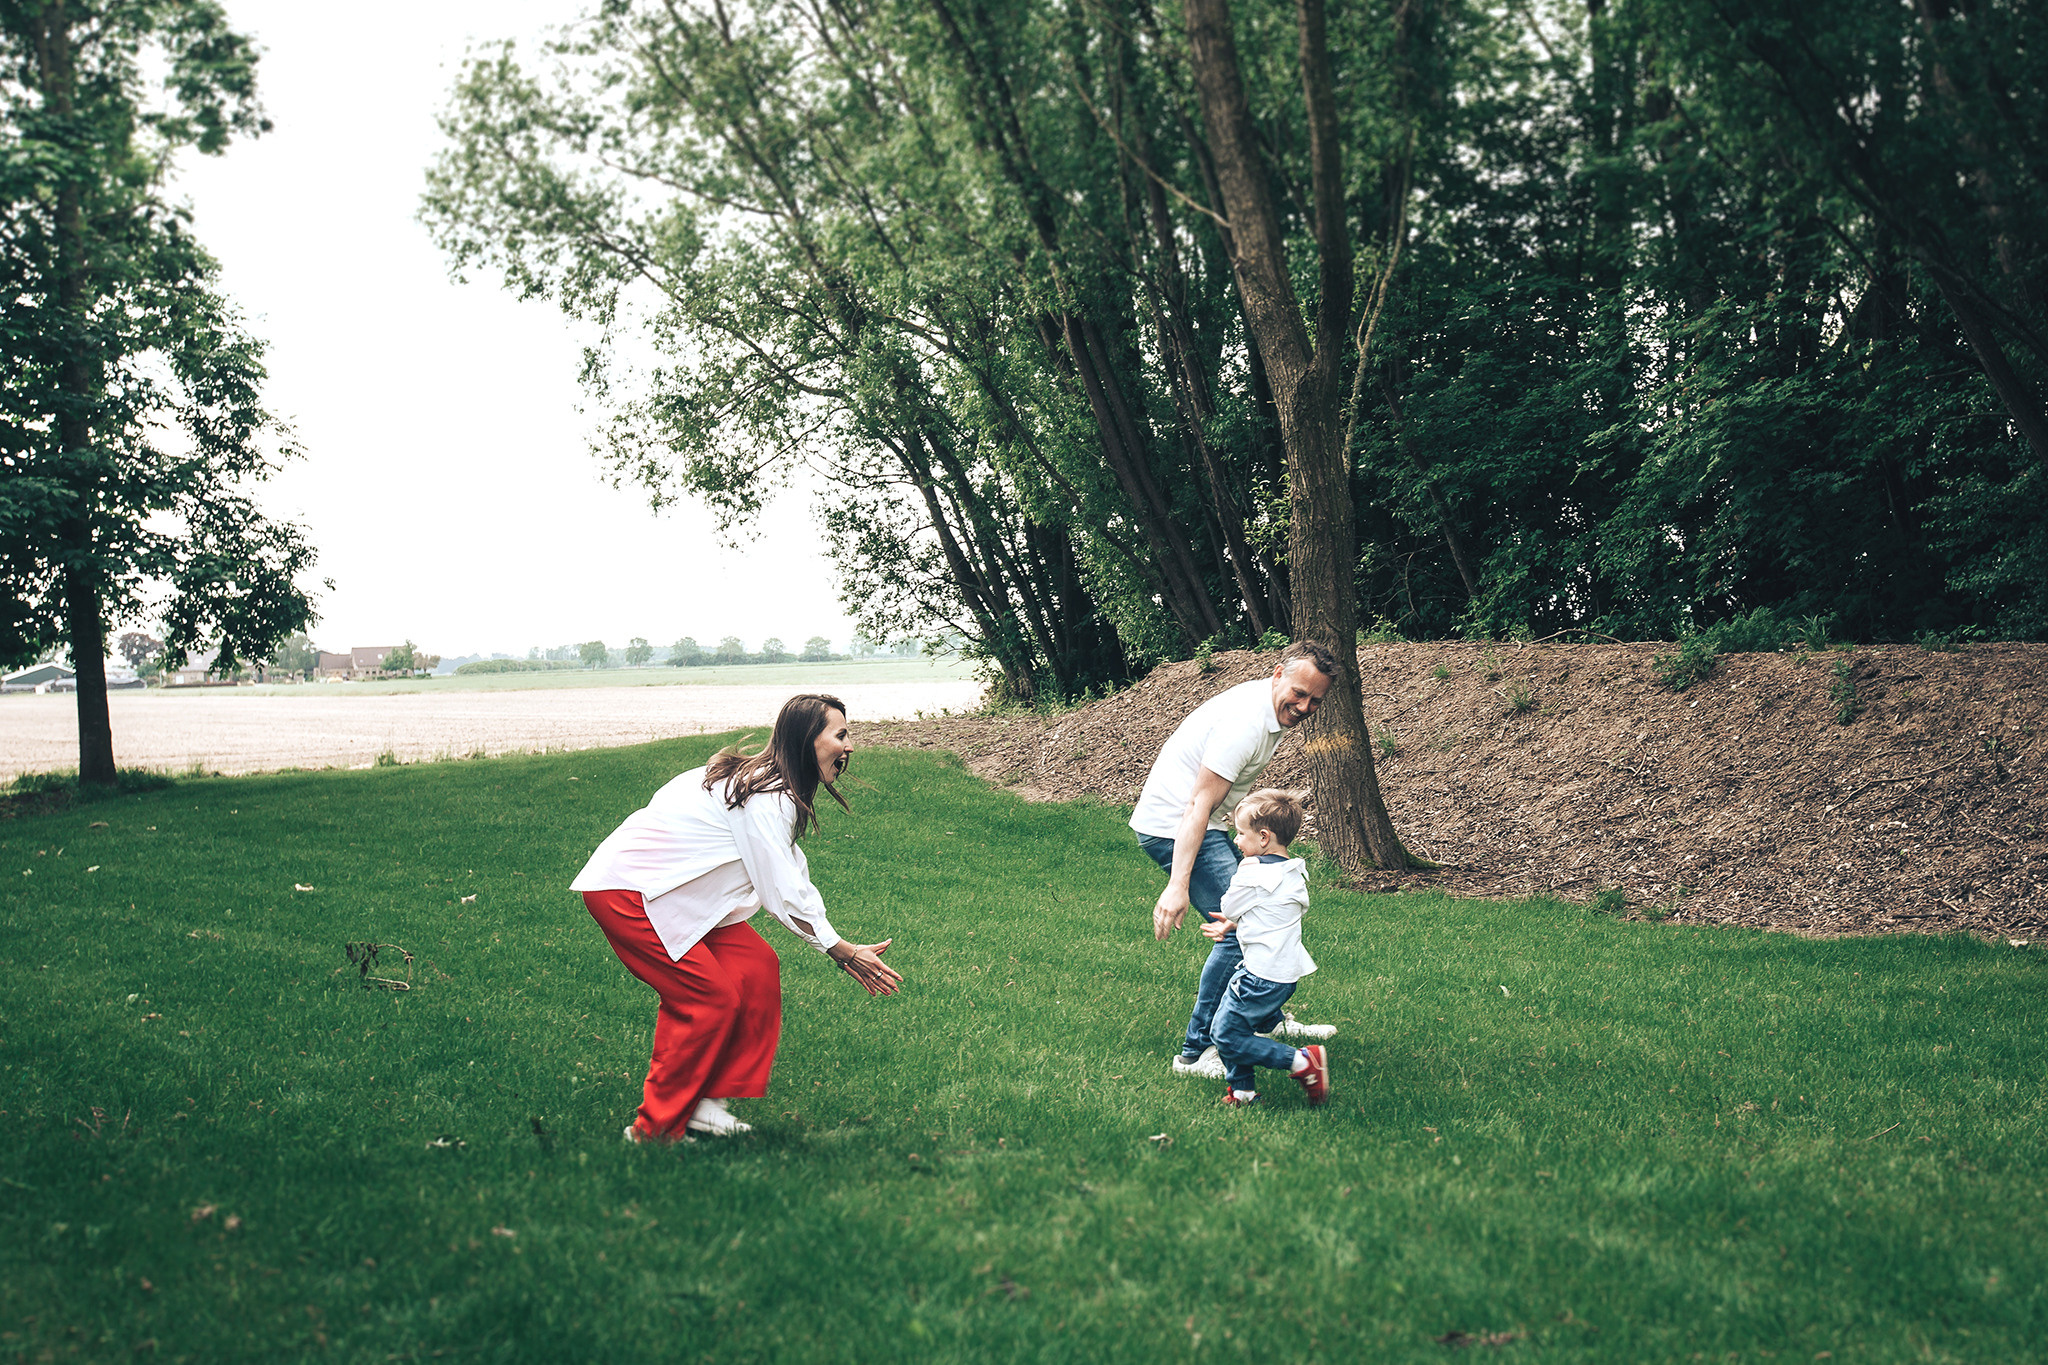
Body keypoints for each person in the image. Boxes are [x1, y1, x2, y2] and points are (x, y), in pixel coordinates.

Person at [571, 693, 901, 1141]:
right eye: (840, 734)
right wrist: (839, 949)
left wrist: (832, 939)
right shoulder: (767, 793)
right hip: (631, 894)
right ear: (807, 739)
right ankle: (654, 1131)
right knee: (705, 1000)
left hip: (676, 896)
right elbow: (781, 890)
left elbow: (787, 867)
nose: (849, 746)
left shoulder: (766, 783)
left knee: (754, 967)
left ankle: (706, 1103)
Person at [1133, 639, 1339, 1079]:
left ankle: (1262, 1020)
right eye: (1299, 693)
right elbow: (1196, 806)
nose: (1304, 706)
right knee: (1236, 929)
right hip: (1178, 826)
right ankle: (1199, 1051)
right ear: (1278, 673)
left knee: (1258, 914)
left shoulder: (1268, 711)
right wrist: (1178, 885)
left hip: (1204, 824)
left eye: (1314, 700)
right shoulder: (1246, 724)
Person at [1200, 790, 1328, 1107]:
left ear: (1263, 837)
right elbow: (1271, 912)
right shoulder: (1291, 870)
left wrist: (1231, 917)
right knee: (1230, 1026)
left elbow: (1229, 905)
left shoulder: (1253, 872)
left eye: (1241, 833)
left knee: (1226, 1034)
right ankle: (1242, 1092)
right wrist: (1236, 924)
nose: (1237, 841)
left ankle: (1302, 1062)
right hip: (1280, 975)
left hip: (1259, 975)